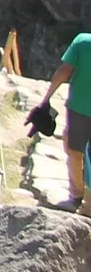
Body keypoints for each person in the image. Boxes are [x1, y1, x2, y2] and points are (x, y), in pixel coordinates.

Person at [36, 31, 91, 208]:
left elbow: (64, 71)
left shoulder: (82, 42)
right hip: (78, 109)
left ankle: (77, 195)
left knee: (75, 152)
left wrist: (46, 98)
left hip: (79, 109)